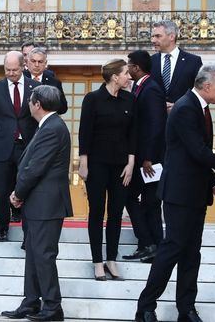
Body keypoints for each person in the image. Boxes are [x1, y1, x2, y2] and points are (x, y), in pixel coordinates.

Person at [135, 65, 215, 322]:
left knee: (192, 253)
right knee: (171, 249)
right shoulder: (185, 108)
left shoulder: (200, 108)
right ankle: (145, 307)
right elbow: (198, 151)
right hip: (179, 195)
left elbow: (195, 156)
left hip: (194, 194)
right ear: (207, 86)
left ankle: (186, 309)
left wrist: (214, 183)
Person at [2, 85, 72, 322]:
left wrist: (18, 193)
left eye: (30, 101)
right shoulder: (48, 126)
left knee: (43, 255)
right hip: (38, 203)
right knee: (33, 254)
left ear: (37, 104)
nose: (28, 105)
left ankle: (52, 307)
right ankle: (31, 302)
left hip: (46, 203)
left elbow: (36, 168)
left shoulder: (53, 128)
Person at [78, 59, 137, 281]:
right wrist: (83, 163)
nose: (128, 77)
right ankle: (97, 262)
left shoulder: (130, 99)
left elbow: (134, 133)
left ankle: (111, 260)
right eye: (125, 73)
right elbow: (84, 132)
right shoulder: (92, 99)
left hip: (121, 165)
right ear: (114, 77)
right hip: (97, 164)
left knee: (116, 213)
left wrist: (131, 163)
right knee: (96, 212)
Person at [0, 51, 39, 242]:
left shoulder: (35, 87)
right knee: (1, 190)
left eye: (14, 69)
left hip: (27, 147)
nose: (11, 73)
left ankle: (27, 233)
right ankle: (2, 229)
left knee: (27, 189)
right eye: (7, 70)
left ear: (23, 67)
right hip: (1, 147)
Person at [124, 51, 166, 264]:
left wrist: (148, 157)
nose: (127, 68)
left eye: (129, 65)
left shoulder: (152, 89)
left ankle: (154, 244)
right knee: (140, 200)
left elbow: (156, 125)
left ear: (137, 68)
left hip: (150, 161)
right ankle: (149, 245)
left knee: (147, 202)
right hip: (143, 159)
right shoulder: (141, 86)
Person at [150, 20, 203, 111]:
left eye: (158, 36)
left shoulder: (193, 62)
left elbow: (201, 93)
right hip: (156, 121)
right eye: (153, 36)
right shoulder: (150, 61)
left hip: (183, 119)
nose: (153, 40)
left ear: (171, 36)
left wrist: (179, 106)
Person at [24, 47, 68, 114]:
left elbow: (63, 108)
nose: (36, 65)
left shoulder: (54, 82)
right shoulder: (21, 79)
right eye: (33, 61)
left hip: (47, 123)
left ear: (45, 63)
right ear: (27, 62)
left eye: (40, 62)